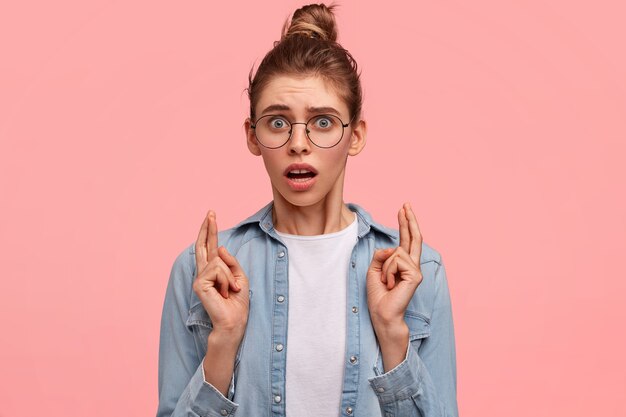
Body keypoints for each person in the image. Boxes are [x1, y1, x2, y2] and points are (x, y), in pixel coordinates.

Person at [156, 3, 457, 416]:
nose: (299, 143)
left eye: (323, 122)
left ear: (356, 135)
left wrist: (392, 334)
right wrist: (223, 342)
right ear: (252, 136)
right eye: (278, 122)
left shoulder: (417, 273)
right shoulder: (202, 271)